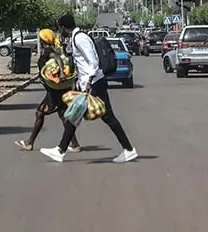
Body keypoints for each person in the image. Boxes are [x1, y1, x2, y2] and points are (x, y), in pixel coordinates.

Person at [40, 14, 137, 164]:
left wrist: (89, 83)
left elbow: (93, 61)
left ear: (64, 27)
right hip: (89, 83)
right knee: (74, 114)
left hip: (94, 83)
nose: (60, 32)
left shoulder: (80, 38)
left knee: (107, 117)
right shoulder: (76, 38)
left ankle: (129, 150)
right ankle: (60, 150)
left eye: (60, 29)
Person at [15, 29, 80, 152]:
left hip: (54, 91)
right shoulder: (53, 49)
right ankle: (74, 143)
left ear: (43, 40)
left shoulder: (49, 51)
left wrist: (61, 73)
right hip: (57, 89)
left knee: (40, 113)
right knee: (62, 115)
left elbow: (57, 58)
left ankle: (29, 143)